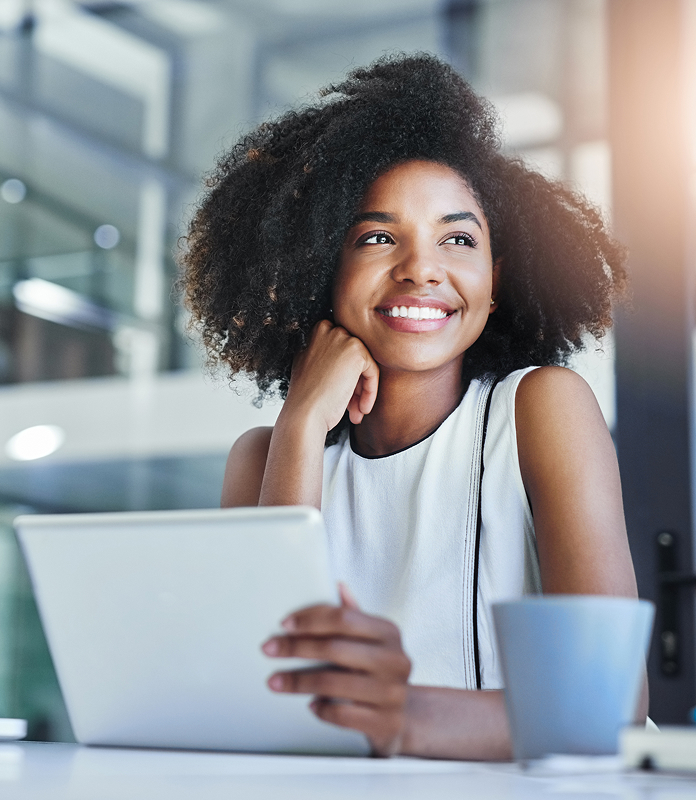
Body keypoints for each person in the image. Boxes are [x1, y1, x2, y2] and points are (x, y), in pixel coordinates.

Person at [179, 53, 642, 760]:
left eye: (458, 239)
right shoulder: (263, 458)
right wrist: (301, 425)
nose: (422, 268)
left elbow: (610, 703)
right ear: (318, 269)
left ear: (494, 280)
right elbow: (265, 697)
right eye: (377, 237)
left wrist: (404, 717)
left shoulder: (539, 409)